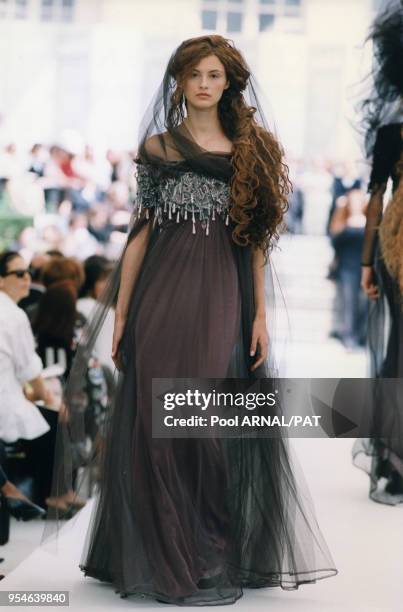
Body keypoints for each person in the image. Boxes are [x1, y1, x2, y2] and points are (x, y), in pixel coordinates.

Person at [44, 35, 337, 605]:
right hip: (159, 293)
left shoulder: (252, 151)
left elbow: (254, 242)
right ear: (179, 81)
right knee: (153, 420)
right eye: (194, 74)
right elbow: (140, 235)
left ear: (228, 84)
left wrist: (260, 315)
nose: (204, 83)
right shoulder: (158, 148)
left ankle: (210, 545)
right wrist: (123, 311)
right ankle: (163, 553)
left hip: (221, 293)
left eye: (215, 75)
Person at [353, 1, 403, 504]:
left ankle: (394, 460)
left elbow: (374, 200)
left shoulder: (391, 129)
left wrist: (367, 261)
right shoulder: (391, 130)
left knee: (399, 350)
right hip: (397, 244)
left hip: (393, 241)